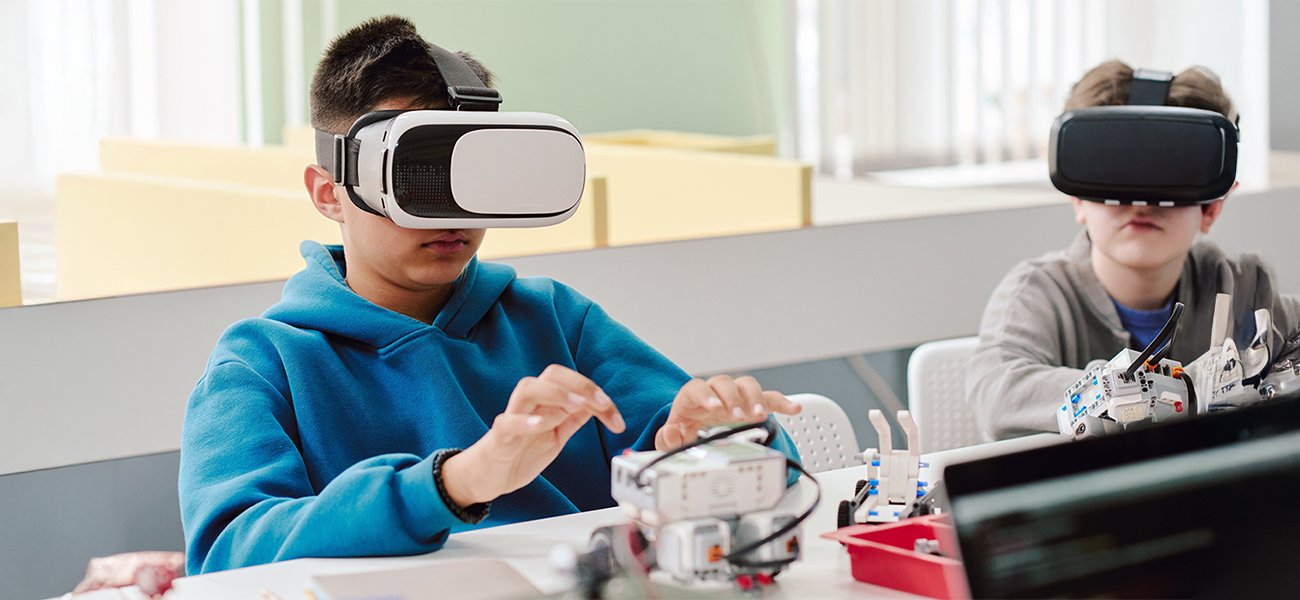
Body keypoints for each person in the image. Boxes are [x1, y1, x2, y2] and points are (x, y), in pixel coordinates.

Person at [178, 15, 803, 576]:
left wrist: (711, 445)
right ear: (329, 192)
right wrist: (455, 483)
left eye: (469, 175)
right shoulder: (263, 363)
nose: (450, 214)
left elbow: (740, 470)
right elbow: (227, 554)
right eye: (416, 177)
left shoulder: (556, 319)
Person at [965, 60, 1300, 441]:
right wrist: (1157, 394)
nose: (1142, 203)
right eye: (1116, 175)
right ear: (1079, 199)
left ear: (1212, 206)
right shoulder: (1037, 294)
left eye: (1170, 176)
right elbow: (996, 391)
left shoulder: (1243, 289)